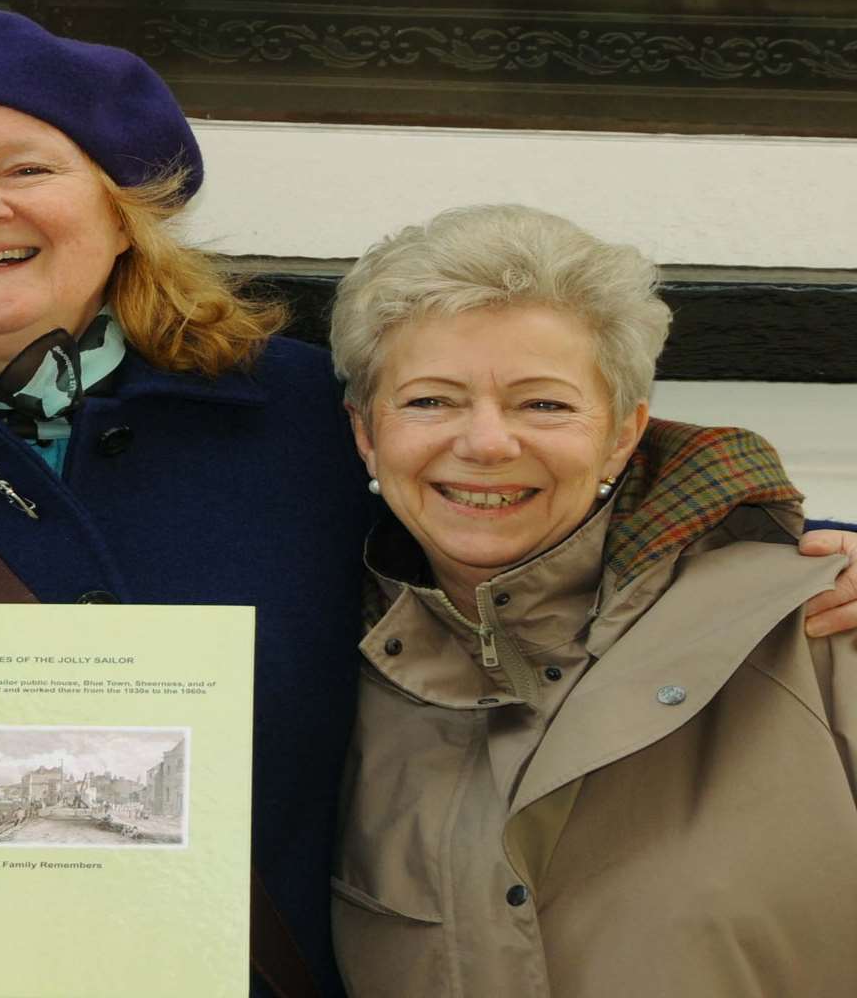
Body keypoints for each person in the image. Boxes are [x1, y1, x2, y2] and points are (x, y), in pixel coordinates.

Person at [0, 11, 857, 998]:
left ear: (119, 213)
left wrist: (778, 540)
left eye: (28, 166)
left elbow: (518, 496)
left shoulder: (288, 410)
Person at [327, 204, 857, 996]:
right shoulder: (314, 666)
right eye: (430, 400)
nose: (486, 443)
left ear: (622, 433)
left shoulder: (816, 632)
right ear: (366, 432)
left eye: (543, 403)